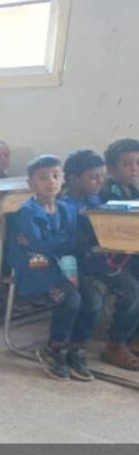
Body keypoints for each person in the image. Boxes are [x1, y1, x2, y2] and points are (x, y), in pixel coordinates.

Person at [9, 155, 101, 381]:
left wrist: (51, 240)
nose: (50, 181)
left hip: (62, 264)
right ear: (31, 184)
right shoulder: (28, 211)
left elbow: (70, 243)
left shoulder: (67, 209)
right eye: (42, 177)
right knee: (71, 299)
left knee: (93, 299)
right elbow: (39, 246)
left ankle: (76, 347)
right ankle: (55, 348)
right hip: (34, 264)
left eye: (55, 176)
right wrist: (54, 241)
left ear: (63, 180)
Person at [63, 149, 139, 370]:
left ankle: (117, 343)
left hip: (106, 263)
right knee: (93, 301)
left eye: (101, 176)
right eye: (93, 177)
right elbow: (70, 245)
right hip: (81, 267)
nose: (100, 181)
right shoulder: (66, 206)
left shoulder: (98, 199)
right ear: (74, 179)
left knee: (133, 291)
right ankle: (75, 346)